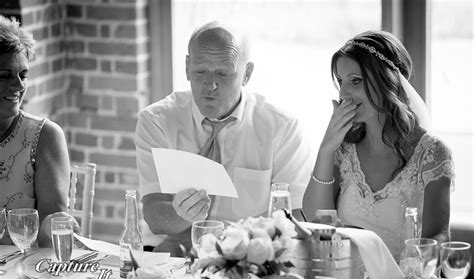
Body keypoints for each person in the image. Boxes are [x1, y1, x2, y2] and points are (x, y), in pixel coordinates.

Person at [135, 21, 313, 256]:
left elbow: (292, 219)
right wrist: (181, 215)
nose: (210, 84)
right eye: (200, 71)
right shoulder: (157, 120)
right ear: (187, 67)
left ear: (247, 74)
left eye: (223, 73)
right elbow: (154, 215)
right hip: (170, 256)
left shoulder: (282, 128)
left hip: (248, 259)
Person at [303, 30, 453, 262]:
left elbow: (438, 237)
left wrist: (405, 275)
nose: (343, 93)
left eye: (356, 80)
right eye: (341, 82)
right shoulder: (343, 149)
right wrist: (326, 148)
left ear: (388, 81)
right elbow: (316, 220)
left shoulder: (432, 153)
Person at [0, 16, 78, 247]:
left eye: (23, 75)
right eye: (4, 75)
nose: (19, 85)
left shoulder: (44, 136)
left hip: (20, 272)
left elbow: (50, 232)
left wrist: (56, 225)